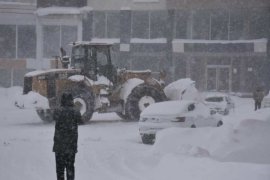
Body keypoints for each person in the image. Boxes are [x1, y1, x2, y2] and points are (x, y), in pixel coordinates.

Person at [53, 93, 81, 180]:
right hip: (71, 146)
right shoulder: (75, 111)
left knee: (60, 169)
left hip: (59, 146)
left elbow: (53, 117)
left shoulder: (58, 111)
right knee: (70, 168)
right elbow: (81, 121)